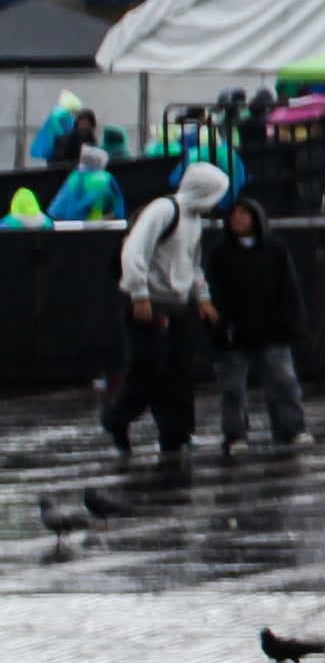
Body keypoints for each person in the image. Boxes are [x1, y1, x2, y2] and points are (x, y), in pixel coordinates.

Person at [107, 157, 224, 465]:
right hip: (151, 303)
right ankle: (118, 417)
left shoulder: (193, 219)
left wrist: (202, 297)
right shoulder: (164, 210)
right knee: (148, 368)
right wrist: (139, 294)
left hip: (179, 304)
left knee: (179, 372)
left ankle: (176, 434)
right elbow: (134, 250)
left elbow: (193, 262)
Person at [200, 185, 308, 450]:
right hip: (233, 332)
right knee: (232, 389)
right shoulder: (220, 255)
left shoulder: (275, 250)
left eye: (244, 213)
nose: (237, 218)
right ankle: (235, 435)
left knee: (283, 382)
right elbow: (213, 290)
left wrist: (290, 324)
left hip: (270, 330)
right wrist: (220, 327)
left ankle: (290, 429)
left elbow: (288, 289)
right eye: (234, 213)